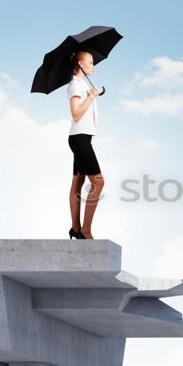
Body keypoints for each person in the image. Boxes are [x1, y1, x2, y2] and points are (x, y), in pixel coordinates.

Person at [67, 50, 104, 240]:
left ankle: (75, 228)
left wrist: (91, 94)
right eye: (90, 62)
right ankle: (85, 230)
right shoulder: (75, 86)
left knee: (78, 182)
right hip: (80, 138)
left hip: (82, 138)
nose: (93, 65)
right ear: (80, 64)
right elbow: (75, 114)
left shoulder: (82, 85)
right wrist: (91, 97)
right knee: (98, 182)